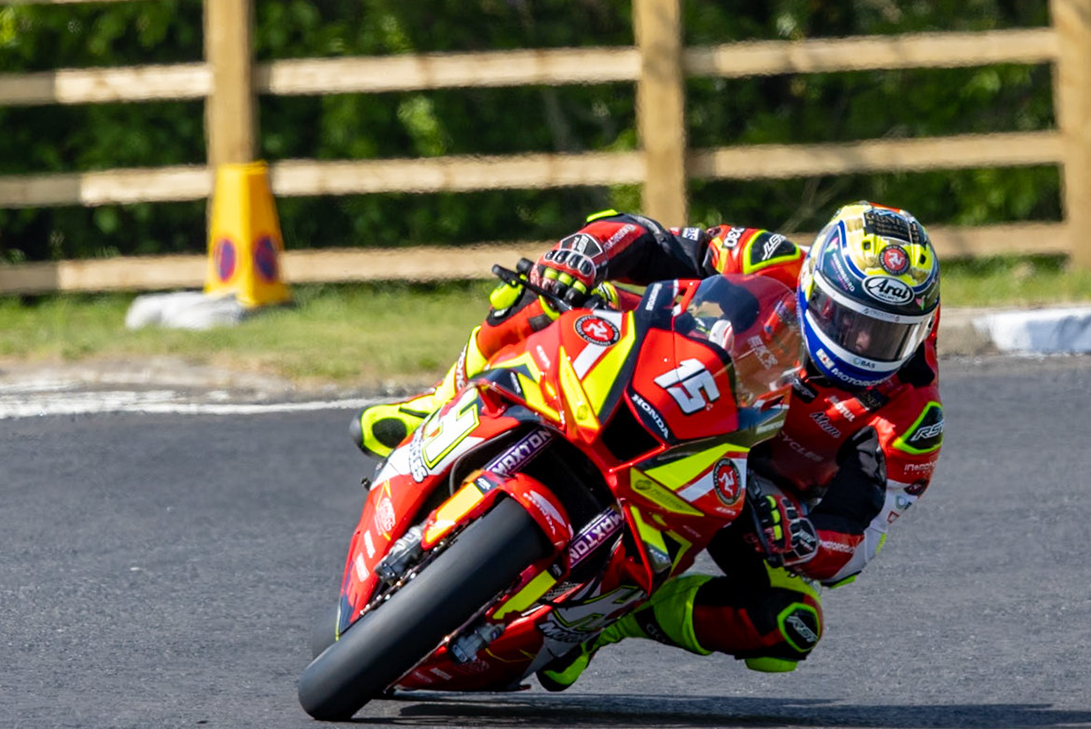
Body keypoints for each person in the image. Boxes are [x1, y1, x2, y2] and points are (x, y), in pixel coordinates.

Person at [352, 202, 944, 690]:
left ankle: (611, 621)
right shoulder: (772, 259)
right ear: (815, 284)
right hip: (681, 375)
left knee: (789, 626)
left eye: (888, 333)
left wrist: (804, 537)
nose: (864, 343)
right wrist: (587, 253)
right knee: (542, 295)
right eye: (848, 320)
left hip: (749, 496)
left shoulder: (914, 416)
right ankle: (437, 401)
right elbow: (651, 237)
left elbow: (858, 538)